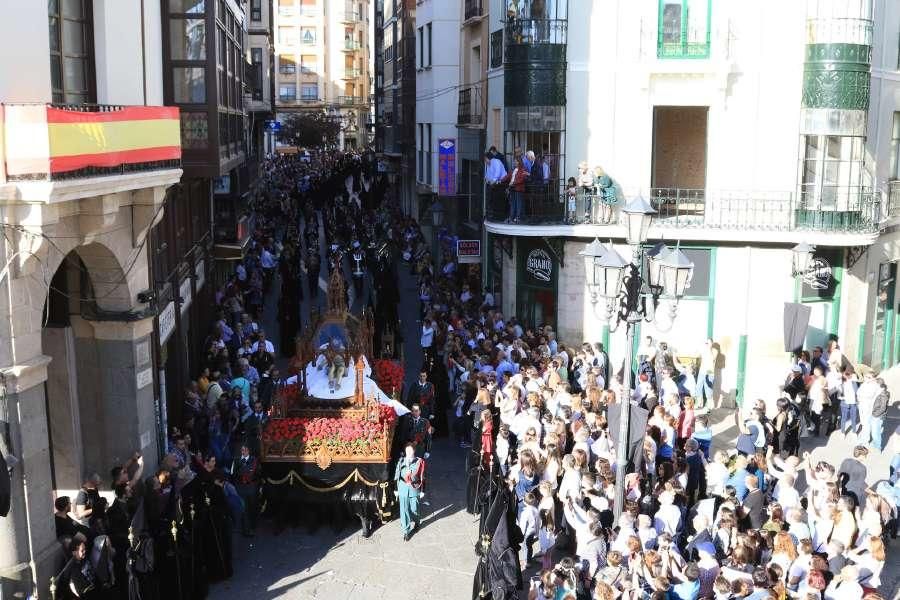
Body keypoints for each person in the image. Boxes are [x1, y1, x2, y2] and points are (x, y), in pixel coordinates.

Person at [395, 443, 425, 541]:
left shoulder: (419, 462)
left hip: (414, 488)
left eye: (410, 450)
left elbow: (423, 477)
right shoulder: (401, 461)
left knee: (414, 509)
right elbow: (397, 476)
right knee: (404, 511)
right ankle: (406, 531)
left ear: (414, 451)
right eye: (407, 451)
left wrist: (422, 490)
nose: (409, 452)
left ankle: (417, 521)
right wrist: (396, 489)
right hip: (403, 488)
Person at [230, 444, 259, 536]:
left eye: (246, 450)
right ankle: (246, 530)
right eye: (242, 450)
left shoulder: (253, 460)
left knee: (252, 507)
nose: (244, 452)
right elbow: (233, 473)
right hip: (240, 487)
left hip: (251, 487)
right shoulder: (236, 460)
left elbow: (255, 472)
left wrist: (243, 471)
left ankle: (252, 526)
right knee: (243, 508)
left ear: (249, 451)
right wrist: (245, 470)